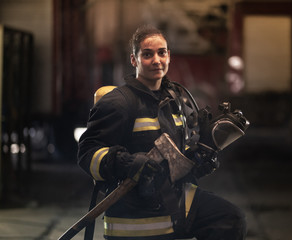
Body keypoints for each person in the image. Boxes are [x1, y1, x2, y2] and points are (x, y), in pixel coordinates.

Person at [78, 25, 247, 240]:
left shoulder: (174, 102)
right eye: (147, 54)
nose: (157, 60)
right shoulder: (118, 102)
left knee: (229, 219)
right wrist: (127, 163)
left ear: (169, 56)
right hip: (135, 213)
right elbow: (87, 154)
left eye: (162, 52)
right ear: (134, 60)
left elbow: (174, 160)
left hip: (171, 197)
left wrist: (199, 159)